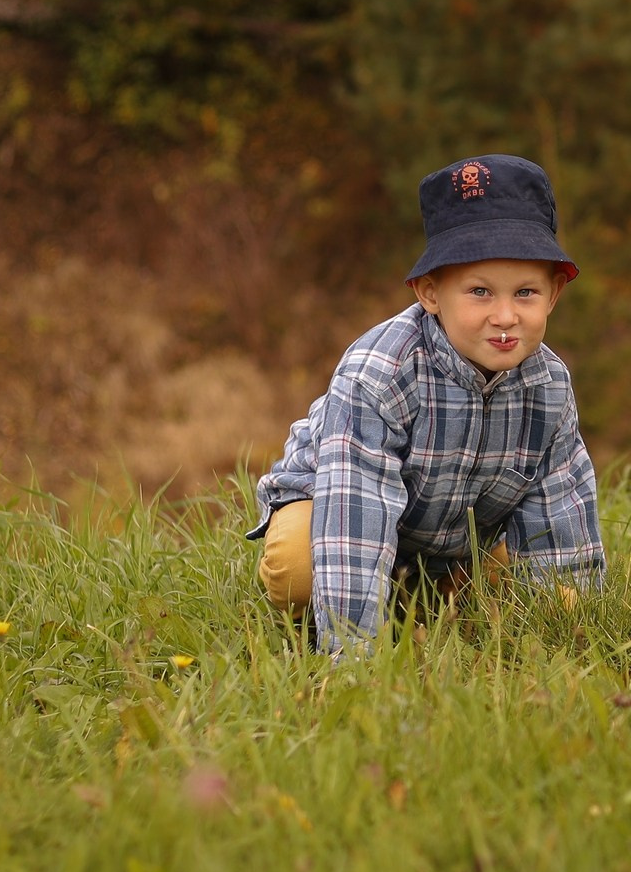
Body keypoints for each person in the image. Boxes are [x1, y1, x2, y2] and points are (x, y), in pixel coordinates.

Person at [251, 154, 603, 652]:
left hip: (456, 536)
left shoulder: (548, 386)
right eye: (479, 291)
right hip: (338, 506)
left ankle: (431, 591)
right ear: (430, 292)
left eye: (525, 292)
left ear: (554, 294)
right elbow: (357, 507)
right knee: (297, 568)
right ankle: (350, 609)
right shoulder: (381, 373)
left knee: (526, 590)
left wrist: (570, 635)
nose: (504, 316)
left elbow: (559, 515)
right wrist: (354, 662)